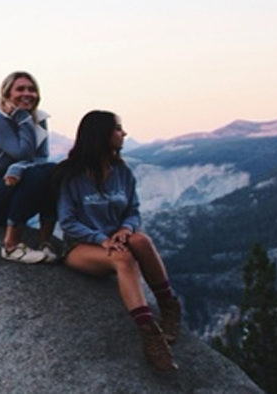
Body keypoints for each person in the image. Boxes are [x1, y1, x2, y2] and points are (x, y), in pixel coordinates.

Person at [56, 110, 182, 372]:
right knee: (123, 259)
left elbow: (133, 210)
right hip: (81, 247)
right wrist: (100, 239)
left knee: (142, 241)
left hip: (116, 239)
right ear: (101, 135)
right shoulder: (71, 175)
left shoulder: (122, 172)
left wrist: (126, 228)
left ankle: (169, 307)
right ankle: (150, 334)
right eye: (118, 128)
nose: (124, 133)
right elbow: (67, 221)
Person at [0, 71, 57, 264]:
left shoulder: (38, 120)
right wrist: (22, 117)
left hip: (12, 191)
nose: (27, 94)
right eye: (20, 89)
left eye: (32, 89)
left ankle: (45, 243)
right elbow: (22, 153)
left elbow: (41, 158)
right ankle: (11, 246)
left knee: (53, 172)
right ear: (7, 94)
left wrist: (17, 168)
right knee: (33, 175)